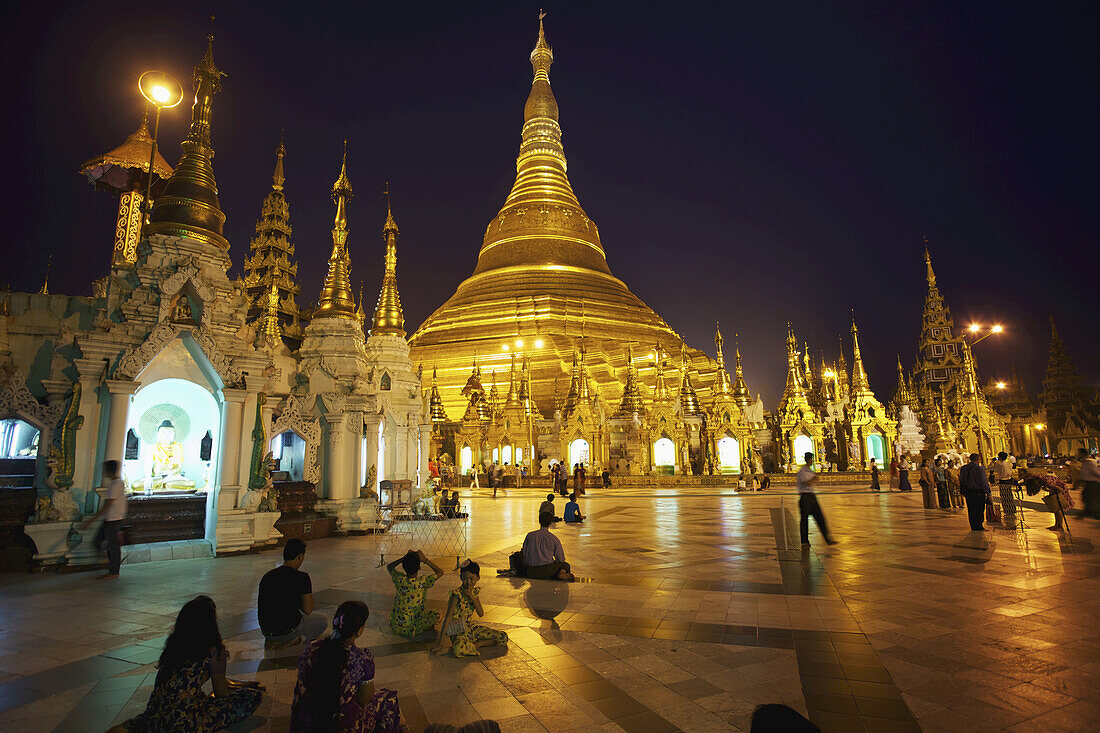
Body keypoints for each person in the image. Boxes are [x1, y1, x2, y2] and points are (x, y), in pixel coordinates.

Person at [118, 596, 263, 732]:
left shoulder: (174, 646)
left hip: (156, 716)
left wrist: (242, 683)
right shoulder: (213, 650)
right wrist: (242, 689)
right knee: (251, 697)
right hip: (185, 722)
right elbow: (221, 692)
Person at [290, 600, 401, 732]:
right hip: (340, 727)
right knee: (388, 700)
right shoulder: (361, 659)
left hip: (303, 725)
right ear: (359, 630)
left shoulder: (311, 648)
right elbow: (364, 700)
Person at [258, 539, 328, 646]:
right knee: (322, 620)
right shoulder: (302, 577)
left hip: (266, 631)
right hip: (287, 631)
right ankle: (299, 639)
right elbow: (308, 610)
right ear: (299, 556)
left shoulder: (267, 576)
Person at [432, 561, 508, 657]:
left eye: (471, 579)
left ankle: (476, 644)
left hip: (471, 628)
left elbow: (481, 613)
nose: (468, 582)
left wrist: (472, 597)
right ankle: (480, 644)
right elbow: (447, 618)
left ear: (478, 578)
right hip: (458, 631)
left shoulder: (474, 593)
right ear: (461, 578)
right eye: (465, 579)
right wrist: (440, 644)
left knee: (503, 637)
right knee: (459, 649)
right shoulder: (456, 595)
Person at [80, 459, 126, 580]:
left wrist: (92, 520)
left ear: (109, 471)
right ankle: (110, 563)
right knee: (100, 542)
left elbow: (109, 504)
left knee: (112, 545)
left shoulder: (116, 484)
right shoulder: (116, 483)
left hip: (114, 518)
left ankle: (114, 570)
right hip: (111, 517)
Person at [387, 549, 444, 638]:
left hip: (397, 625)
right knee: (437, 615)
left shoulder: (399, 579)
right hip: (414, 628)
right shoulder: (423, 582)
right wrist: (425, 560)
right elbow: (440, 572)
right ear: (419, 568)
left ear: (403, 567)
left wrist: (404, 558)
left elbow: (389, 567)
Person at [797, 453, 836, 546]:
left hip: (811, 496)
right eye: (811, 459)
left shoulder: (810, 470)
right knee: (804, 520)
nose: (812, 461)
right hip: (805, 497)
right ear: (808, 459)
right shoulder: (802, 471)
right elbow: (807, 483)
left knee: (820, 517)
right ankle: (804, 541)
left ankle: (827, 538)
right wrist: (814, 478)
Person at [522, 513, 574, 580]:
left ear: (539, 521)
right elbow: (561, 559)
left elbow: (524, 552)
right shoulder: (553, 539)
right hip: (546, 571)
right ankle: (561, 574)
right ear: (550, 523)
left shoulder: (530, 535)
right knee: (565, 565)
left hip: (531, 571)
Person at [959, 453, 992, 531]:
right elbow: (984, 482)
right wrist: (989, 493)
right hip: (978, 493)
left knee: (971, 510)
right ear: (978, 459)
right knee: (979, 510)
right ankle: (979, 526)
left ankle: (973, 526)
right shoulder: (980, 469)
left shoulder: (963, 468)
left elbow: (961, 480)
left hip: (968, 492)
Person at [1073, 448, 1100, 518]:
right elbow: (1083, 475)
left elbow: (1097, 473)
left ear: (1083, 454)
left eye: (1078, 453)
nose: (1077, 455)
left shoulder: (1090, 463)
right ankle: (1088, 512)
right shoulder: (1084, 463)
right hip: (1088, 483)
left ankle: (1092, 513)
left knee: (1089, 498)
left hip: (1093, 483)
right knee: (1086, 497)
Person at [992, 452, 1018, 520]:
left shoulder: (1000, 464)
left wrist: (993, 461)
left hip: (1003, 481)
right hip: (1009, 480)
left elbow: (991, 468)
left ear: (1000, 457)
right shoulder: (1009, 464)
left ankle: (1006, 509)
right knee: (1009, 495)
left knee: (1004, 496)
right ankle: (1012, 508)